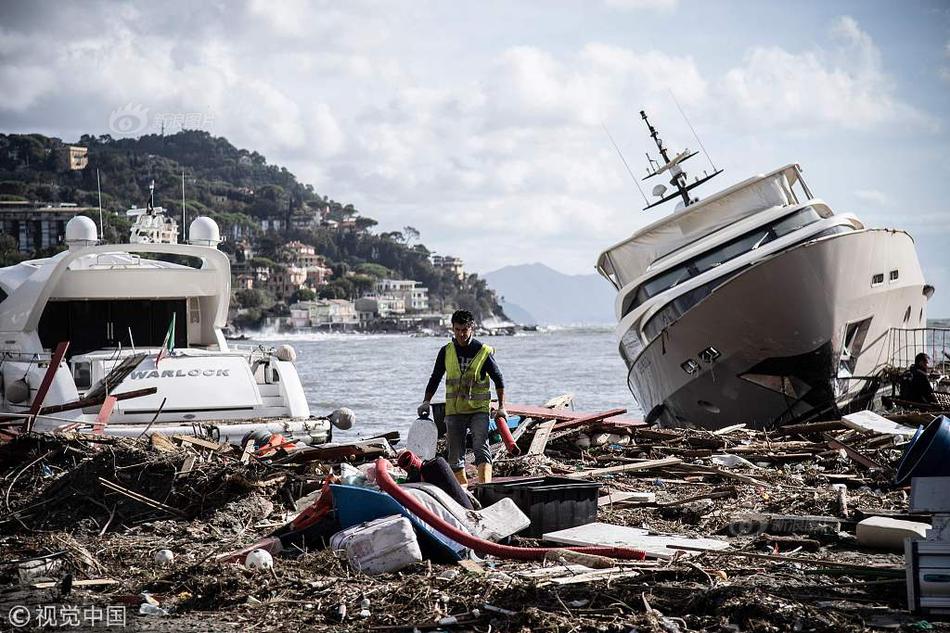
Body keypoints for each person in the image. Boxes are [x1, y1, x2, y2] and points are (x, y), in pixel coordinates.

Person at [418, 310, 507, 485]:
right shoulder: (446, 352)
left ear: (471, 328)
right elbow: (435, 377)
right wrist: (426, 401)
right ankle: (464, 491)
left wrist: (502, 406)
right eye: (457, 329)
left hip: (478, 410)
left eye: (464, 329)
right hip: (455, 411)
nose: (461, 334)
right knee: (455, 455)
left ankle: (484, 486)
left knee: (481, 447)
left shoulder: (483, 351)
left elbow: (499, 379)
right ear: (452, 328)